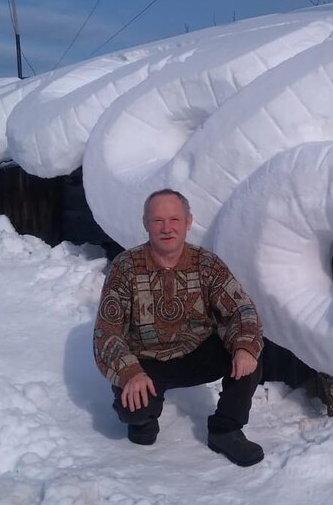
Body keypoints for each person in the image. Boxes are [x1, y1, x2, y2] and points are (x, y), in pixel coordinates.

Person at [93, 188, 264, 466]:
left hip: (197, 353)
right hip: (147, 361)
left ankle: (226, 429)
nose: (167, 228)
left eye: (174, 219)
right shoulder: (125, 268)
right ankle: (144, 419)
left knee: (250, 352)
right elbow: (106, 332)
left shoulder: (207, 264)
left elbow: (241, 309)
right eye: (158, 220)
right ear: (146, 224)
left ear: (188, 222)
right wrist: (129, 373)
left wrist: (244, 348)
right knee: (135, 414)